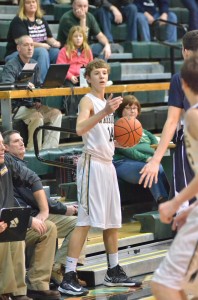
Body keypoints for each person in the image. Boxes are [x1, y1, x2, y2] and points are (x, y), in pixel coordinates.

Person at [57, 59, 142, 296]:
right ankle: (69, 275)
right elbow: (80, 129)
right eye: (97, 73)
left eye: (105, 72)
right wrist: (105, 112)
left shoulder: (107, 103)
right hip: (91, 164)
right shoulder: (88, 101)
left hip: (108, 165)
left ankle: (113, 270)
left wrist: (121, 138)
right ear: (89, 77)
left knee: (113, 220)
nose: (102, 76)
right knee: (84, 220)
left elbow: (103, 135)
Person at [2, 129, 86, 286]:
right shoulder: (7, 161)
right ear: (5, 147)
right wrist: (62, 209)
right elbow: (31, 196)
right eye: (15, 141)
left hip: (28, 217)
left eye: (21, 139)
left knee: (80, 223)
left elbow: (34, 183)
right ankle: (37, 282)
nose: (21, 142)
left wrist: (47, 210)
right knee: (51, 226)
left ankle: (60, 269)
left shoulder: (16, 164)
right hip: (20, 220)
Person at [151, 54, 198, 300]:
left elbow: (172, 122)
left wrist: (175, 202)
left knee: (164, 284)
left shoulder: (192, 116)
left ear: (184, 85)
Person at [139, 30, 198, 212]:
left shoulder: (180, 78)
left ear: (185, 51)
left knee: (186, 207)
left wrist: (156, 160)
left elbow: (172, 122)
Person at [0, 132, 61, 300]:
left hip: (5, 221)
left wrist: (40, 213)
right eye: (0, 144)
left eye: (1, 144)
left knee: (45, 228)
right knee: (10, 237)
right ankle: (5, 291)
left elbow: (32, 179)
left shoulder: (6, 165)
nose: (2, 148)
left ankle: (32, 287)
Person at [1, 35, 62, 151]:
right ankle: (33, 151)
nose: (30, 48)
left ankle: (49, 150)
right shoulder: (11, 65)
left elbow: (37, 85)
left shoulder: (34, 63)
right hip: (14, 107)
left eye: (32, 45)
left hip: (31, 105)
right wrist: (23, 85)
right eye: (26, 45)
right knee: (37, 117)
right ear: (18, 48)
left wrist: (38, 100)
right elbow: (6, 86)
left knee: (56, 113)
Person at [114, 95, 169, 207]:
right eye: (128, 108)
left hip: (143, 160)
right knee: (152, 168)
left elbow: (155, 143)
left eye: (134, 108)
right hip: (122, 163)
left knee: (164, 167)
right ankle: (162, 201)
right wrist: (148, 158)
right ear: (121, 110)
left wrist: (155, 156)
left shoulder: (141, 129)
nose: (132, 111)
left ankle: (170, 200)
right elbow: (127, 151)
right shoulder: (118, 127)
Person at [5, 0, 61, 82]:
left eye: (34, 2)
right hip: (16, 54)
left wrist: (55, 43)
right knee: (42, 52)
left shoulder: (40, 19)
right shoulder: (18, 20)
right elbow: (21, 42)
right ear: (23, 5)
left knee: (56, 52)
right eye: (28, 2)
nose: (31, 4)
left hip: (37, 51)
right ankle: (41, 83)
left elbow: (48, 37)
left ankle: (55, 81)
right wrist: (42, 46)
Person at [56, 25, 93, 115]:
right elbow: (60, 67)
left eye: (80, 36)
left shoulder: (87, 50)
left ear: (83, 38)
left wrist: (88, 76)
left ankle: (87, 114)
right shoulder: (64, 50)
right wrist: (70, 76)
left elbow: (91, 65)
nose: (78, 39)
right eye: (75, 36)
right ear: (71, 38)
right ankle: (71, 115)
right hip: (69, 78)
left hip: (84, 77)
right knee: (71, 90)